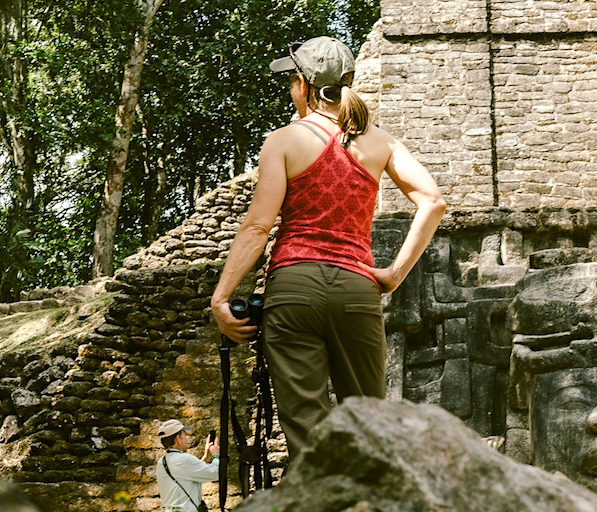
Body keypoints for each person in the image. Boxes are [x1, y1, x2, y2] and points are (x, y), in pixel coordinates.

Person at [208, 36, 446, 457]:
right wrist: (392, 275)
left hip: (294, 290)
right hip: (357, 290)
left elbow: (259, 226)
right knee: (370, 427)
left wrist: (222, 297)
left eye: (292, 81)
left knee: (307, 437)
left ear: (303, 83)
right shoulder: (381, 143)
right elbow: (433, 201)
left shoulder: (282, 141)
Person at [155, 419, 221, 512]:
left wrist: (206, 456)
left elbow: (188, 473)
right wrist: (215, 455)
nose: (187, 439)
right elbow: (216, 473)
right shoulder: (184, 459)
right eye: (185, 435)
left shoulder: (162, 462)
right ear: (178, 439)